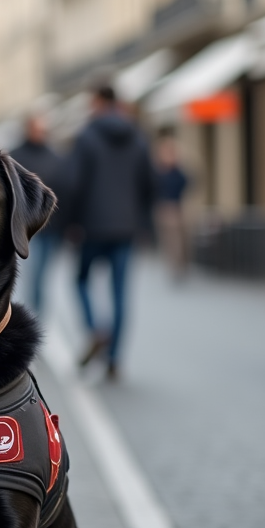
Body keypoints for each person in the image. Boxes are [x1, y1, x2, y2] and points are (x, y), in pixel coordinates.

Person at [65, 86, 156, 380]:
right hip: (126, 227)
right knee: (120, 293)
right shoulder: (138, 137)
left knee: (81, 280)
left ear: (99, 102)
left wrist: (72, 222)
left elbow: (73, 183)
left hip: (92, 225)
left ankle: (95, 329)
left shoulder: (87, 136)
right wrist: (142, 221)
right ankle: (115, 358)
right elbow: (151, 184)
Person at [10, 112, 69, 316]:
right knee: (33, 273)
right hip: (25, 227)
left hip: (52, 227)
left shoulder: (56, 157)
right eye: (37, 129)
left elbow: (64, 192)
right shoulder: (14, 157)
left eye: (43, 129)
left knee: (43, 274)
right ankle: (33, 313)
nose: (40, 133)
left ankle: (37, 313)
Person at [153, 132, 190, 278]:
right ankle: (175, 265)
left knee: (180, 239)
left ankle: (181, 264)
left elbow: (187, 182)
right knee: (170, 240)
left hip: (177, 206)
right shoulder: (159, 171)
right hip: (164, 207)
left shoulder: (177, 171)